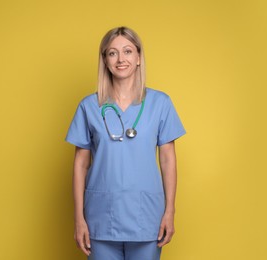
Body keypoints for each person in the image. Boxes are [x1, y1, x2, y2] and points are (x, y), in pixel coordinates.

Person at [66, 26, 186, 260]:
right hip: (100, 217)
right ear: (105, 61)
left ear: (139, 58)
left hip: (146, 216)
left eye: (128, 51)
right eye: (112, 53)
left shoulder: (160, 103)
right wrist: (79, 218)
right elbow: (80, 164)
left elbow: (168, 159)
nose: (121, 59)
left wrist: (170, 210)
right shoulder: (89, 106)